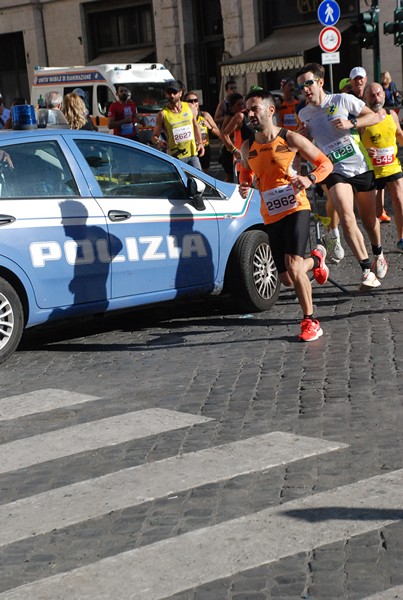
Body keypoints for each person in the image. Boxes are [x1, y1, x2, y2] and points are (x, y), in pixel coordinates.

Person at [239, 89, 333, 342]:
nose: (249, 114)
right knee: (288, 279)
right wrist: (245, 183)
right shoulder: (247, 146)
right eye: (247, 109)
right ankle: (316, 259)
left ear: (270, 110)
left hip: (296, 208)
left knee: (293, 265)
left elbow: (325, 164)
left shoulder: (289, 138)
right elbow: (246, 170)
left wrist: (309, 178)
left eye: (254, 108)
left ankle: (310, 321)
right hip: (271, 214)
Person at [296, 62, 387, 291]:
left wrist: (351, 122)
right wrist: (303, 137)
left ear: (320, 82)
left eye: (308, 83)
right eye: (301, 86)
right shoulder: (303, 114)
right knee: (347, 217)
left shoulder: (342, 100)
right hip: (332, 170)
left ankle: (378, 252)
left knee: (369, 221)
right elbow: (307, 145)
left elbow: (374, 117)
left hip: (359, 166)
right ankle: (367, 270)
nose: (305, 89)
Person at [361, 82, 403, 252]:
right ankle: (376, 245)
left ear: (384, 95)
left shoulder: (392, 115)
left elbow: (399, 133)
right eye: (372, 95)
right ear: (365, 98)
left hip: (392, 167)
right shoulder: (362, 119)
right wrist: (365, 150)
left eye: (378, 94)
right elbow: (354, 144)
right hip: (372, 171)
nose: (376, 97)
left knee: (400, 201)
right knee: (375, 213)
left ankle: (401, 238)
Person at [151, 80, 204, 169]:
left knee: (199, 181)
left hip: (192, 154)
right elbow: (154, 136)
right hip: (175, 157)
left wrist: (201, 143)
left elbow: (195, 126)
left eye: (174, 92)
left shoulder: (190, 107)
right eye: (169, 93)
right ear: (165, 94)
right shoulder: (163, 114)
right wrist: (158, 142)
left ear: (180, 93)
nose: (172, 95)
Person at [220, 93, 253, 182]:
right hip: (231, 152)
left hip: (253, 158)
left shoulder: (250, 115)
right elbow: (223, 134)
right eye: (239, 105)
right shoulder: (236, 117)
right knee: (231, 179)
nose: (242, 106)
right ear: (232, 107)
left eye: (243, 104)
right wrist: (234, 150)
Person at [184, 91, 220, 173]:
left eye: (195, 100)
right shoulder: (184, 117)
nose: (193, 103)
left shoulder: (204, 115)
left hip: (204, 148)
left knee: (205, 175)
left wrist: (209, 127)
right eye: (190, 101)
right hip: (191, 149)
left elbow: (219, 133)